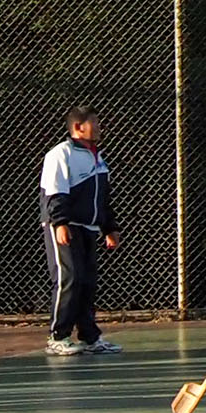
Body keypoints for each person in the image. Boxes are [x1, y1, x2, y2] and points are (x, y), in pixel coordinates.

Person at [37, 109, 117, 356]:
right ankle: (57, 336)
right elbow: (55, 191)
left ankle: (90, 337)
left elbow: (103, 197)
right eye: (94, 122)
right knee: (68, 278)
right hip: (66, 227)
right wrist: (60, 223)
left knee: (87, 282)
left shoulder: (98, 158)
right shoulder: (61, 154)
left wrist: (109, 228)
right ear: (78, 127)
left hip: (89, 227)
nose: (99, 125)